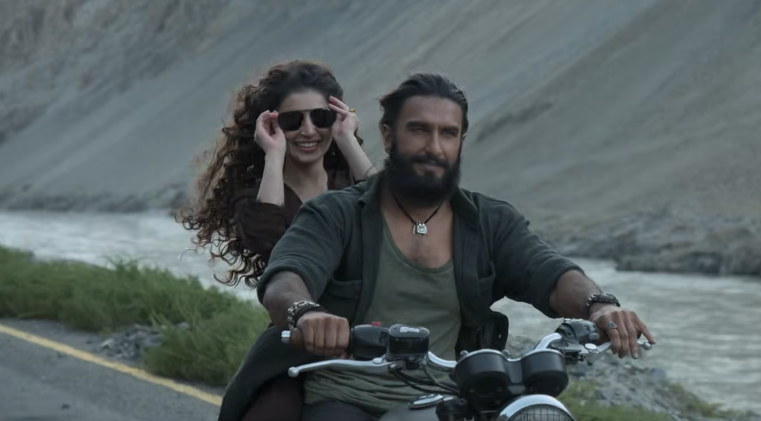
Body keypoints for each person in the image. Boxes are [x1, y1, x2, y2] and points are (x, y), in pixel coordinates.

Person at [217, 73, 656, 421]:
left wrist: (599, 306)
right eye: (419, 131)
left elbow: (548, 271)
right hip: (347, 397)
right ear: (389, 136)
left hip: (447, 399)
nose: (433, 146)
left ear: (460, 141)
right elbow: (287, 275)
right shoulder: (336, 213)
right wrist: (306, 313)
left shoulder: (489, 220)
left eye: (448, 133)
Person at [177, 60, 376, 421]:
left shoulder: (353, 182)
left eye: (320, 117)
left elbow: (397, 213)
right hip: (296, 342)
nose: (308, 130)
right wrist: (273, 155)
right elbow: (271, 244)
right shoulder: (257, 198)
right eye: (292, 121)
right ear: (273, 125)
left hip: (371, 337)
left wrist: (347, 139)